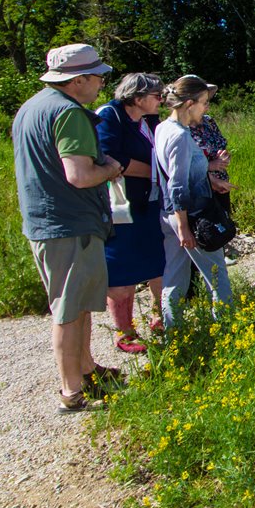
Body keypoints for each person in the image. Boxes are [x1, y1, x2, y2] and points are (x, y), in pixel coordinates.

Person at [12, 43, 124, 413]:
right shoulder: (69, 114)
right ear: (78, 80)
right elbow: (78, 175)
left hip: (47, 222)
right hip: (69, 224)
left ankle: (88, 369)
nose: (101, 84)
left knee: (76, 304)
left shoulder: (31, 108)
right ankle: (72, 392)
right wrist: (110, 169)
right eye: (97, 77)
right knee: (68, 310)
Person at [155, 75, 233, 327]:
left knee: (175, 276)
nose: (207, 108)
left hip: (169, 212)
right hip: (190, 215)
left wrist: (211, 180)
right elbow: (176, 184)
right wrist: (184, 227)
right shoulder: (180, 135)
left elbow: (180, 173)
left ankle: (172, 332)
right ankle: (228, 329)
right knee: (217, 273)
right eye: (204, 103)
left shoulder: (162, 128)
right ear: (189, 104)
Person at [96, 73, 165, 350]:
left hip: (149, 201)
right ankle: (124, 332)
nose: (162, 100)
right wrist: (153, 172)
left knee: (157, 262)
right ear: (138, 98)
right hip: (122, 206)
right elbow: (109, 156)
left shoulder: (148, 119)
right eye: (157, 96)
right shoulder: (110, 116)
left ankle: (159, 317)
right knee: (121, 271)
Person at [189, 112, 234, 263]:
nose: (207, 105)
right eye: (204, 100)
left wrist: (225, 157)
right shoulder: (182, 128)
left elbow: (221, 145)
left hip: (220, 180)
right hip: (201, 186)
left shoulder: (209, 121)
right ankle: (203, 267)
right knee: (203, 227)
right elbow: (185, 164)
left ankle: (219, 257)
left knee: (221, 223)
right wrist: (210, 167)